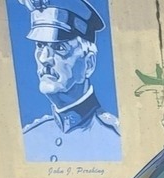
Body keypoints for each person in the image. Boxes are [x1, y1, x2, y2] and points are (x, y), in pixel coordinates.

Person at [20, 0, 121, 163]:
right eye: (40, 45)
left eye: (59, 48)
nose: (44, 58)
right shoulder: (30, 135)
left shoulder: (114, 134)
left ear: (89, 64)